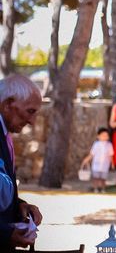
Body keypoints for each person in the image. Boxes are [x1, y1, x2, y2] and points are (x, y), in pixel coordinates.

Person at [0, 74, 43, 251]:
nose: (32, 122)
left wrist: (18, 206)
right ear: (8, 104)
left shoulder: (4, 134)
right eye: (30, 111)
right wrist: (5, 233)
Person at [80, 127, 114, 193]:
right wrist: (86, 160)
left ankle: (103, 189)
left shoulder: (109, 145)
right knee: (96, 178)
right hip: (96, 165)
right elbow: (92, 154)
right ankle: (95, 188)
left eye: (106, 135)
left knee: (103, 178)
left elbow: (111, 155)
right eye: (103, 135)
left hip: (105, 165)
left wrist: (112, 163)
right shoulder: (96, 144)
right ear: (98, 136)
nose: (105, 137)